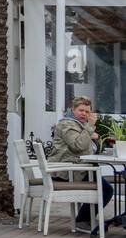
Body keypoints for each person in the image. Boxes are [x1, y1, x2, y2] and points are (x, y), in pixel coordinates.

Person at [50, 95, 119, 230]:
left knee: (104, 186)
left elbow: (91, 149)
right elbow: (78, 146)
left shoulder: (80, 126)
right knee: (106, 189)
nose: (84, 114)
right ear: (73, 109)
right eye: (81, 110)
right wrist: (89, 128)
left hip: (79, 169)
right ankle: (82, 220)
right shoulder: (67, 124)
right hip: (67, 172)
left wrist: (91, 135)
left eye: (87, 111)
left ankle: (85, 218)